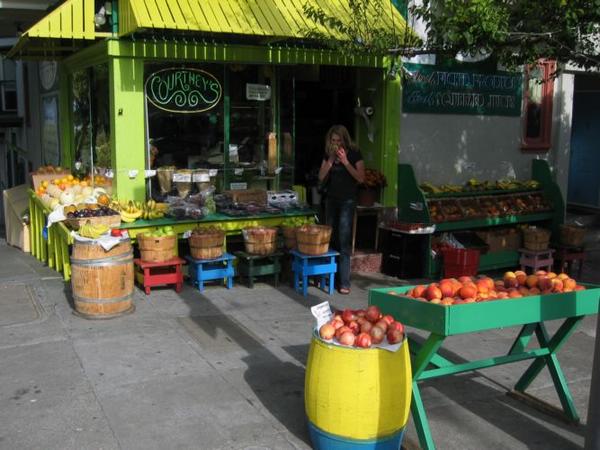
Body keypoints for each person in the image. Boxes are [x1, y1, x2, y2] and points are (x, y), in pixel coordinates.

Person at [318, 125, 365, 295]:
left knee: (344, 239)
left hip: (347, 201)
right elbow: (321, 176)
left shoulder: (354, 153)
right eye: (333, 140)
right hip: (331, 200)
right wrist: (330, 160)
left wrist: (345, 162)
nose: (336, 144)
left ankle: (344, 282)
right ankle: (327, 277)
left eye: (339, 140)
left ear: (345, 140)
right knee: (329, 238)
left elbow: (361, 178)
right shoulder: (328, 155)